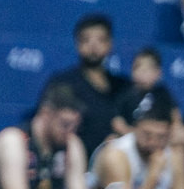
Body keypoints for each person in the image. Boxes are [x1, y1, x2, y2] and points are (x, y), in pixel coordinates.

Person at [39, 13, 123, 154]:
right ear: (77, 43)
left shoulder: (123, 87)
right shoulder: (62, 82)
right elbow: (44, 122)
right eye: (86, 40)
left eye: (100, 40)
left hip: (116, 159)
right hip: (73, 158)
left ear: (110, 44)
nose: (93, 46)